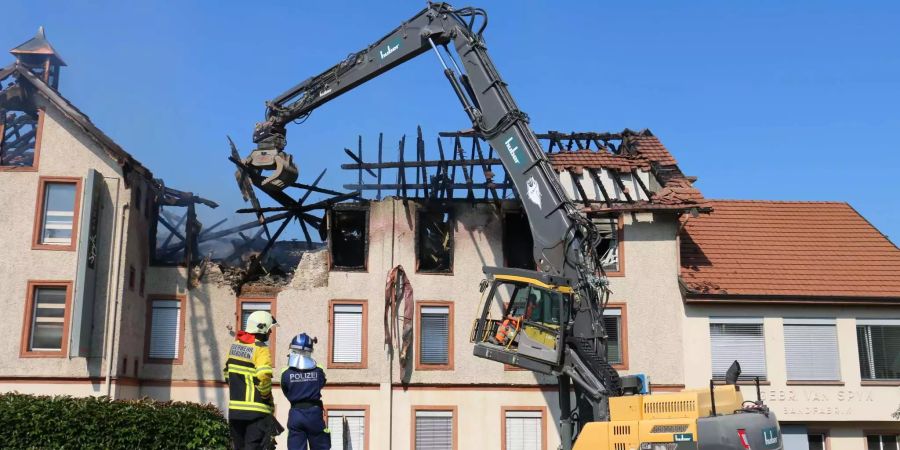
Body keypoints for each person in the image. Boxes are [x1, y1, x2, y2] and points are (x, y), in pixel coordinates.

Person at [224, 310, 278, 450]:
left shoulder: (235, 346)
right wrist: (265, 395)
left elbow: (226, 374)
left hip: (235, 411)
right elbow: (264, 376)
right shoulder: (260, 348)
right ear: (262, 328)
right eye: (269, 329)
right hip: (256, 412)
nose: (270, 333)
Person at [281, 333, 330, 450]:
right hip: (314, 413)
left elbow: (286, 391)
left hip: (295, 413)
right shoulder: (319, 371)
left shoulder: (285, 373)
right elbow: (321, 383)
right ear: (310, 351)